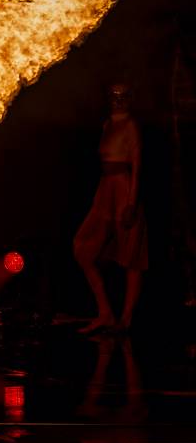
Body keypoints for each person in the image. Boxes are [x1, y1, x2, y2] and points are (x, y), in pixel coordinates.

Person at [73, 83, 147, 334]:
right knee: (83, 248)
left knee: (131, 257)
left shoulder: (131, 126)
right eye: (114, 95)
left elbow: (137, 164)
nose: (118, 100)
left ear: (130, 98)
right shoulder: (108, 125)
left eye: (123, 96)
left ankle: (125, 320)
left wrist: (132, 201)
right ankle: (105, 312)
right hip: (106, 188)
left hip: (124, 188)